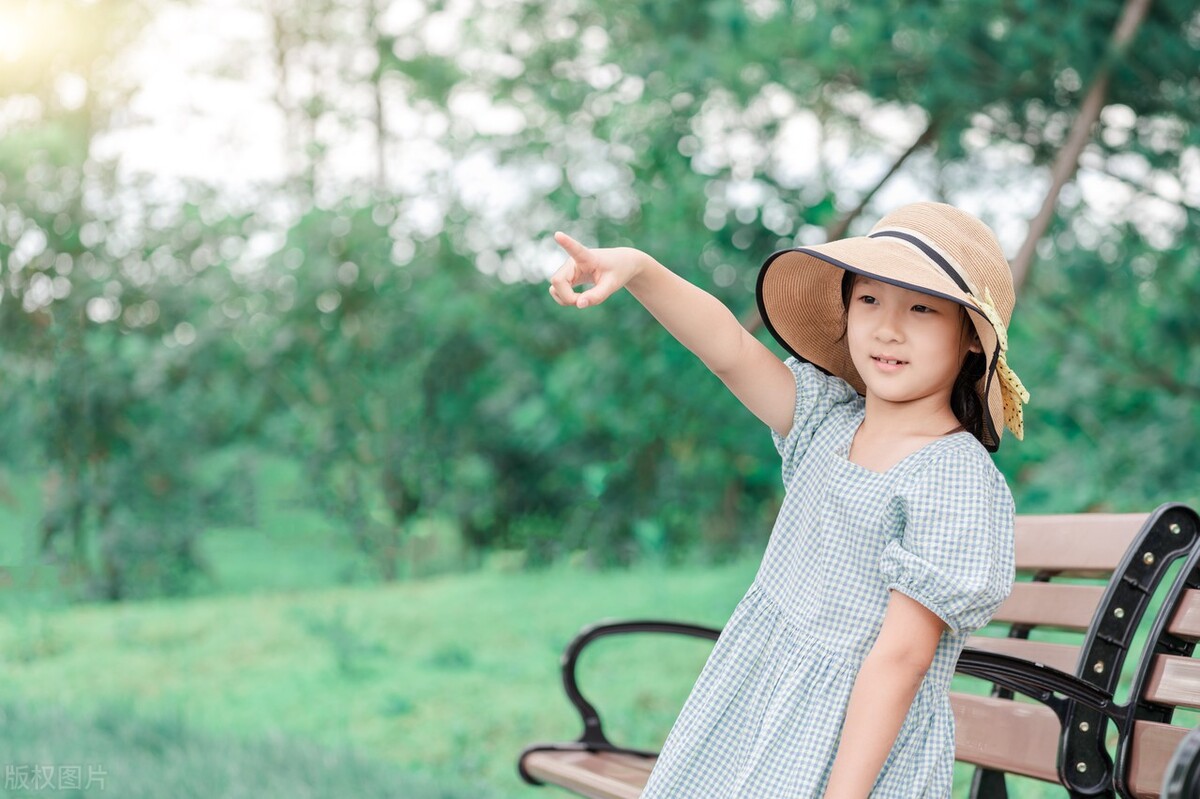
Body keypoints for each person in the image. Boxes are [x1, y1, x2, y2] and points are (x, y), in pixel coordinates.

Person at [546, 201, 1029, 798]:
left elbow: (900, 661)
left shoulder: (953, 475)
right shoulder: (827, 420)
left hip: (853, 751)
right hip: (754, 708)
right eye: (869, 300)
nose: (887, 328)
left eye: (922, 309)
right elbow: (729, 350)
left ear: (971, 340)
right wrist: (643, 270)